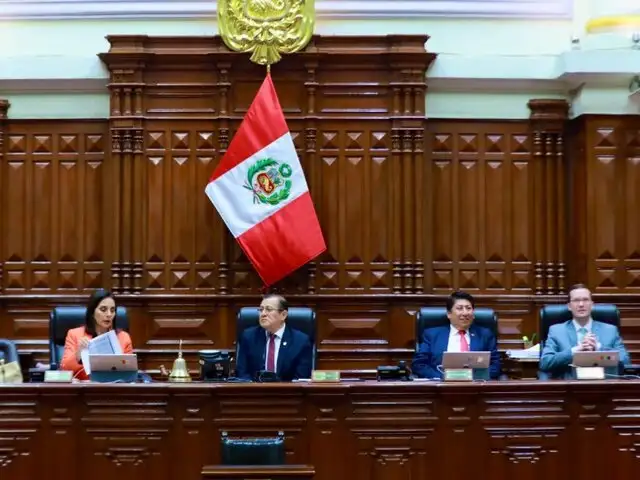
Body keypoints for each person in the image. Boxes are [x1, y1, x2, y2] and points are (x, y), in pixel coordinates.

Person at [540, 283, 630, 379]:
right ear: (569, 306)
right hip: (570, 387)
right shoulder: (556, 330)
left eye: (585, 300)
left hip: (603, 386)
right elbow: (545, 363)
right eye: (576, 300)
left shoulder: (610, 330)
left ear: (592, 304)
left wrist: (599, 348)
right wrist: (574, 351)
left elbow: (625, 361)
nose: (581, 304)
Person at [412, 291, 501, 380]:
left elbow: (495, 365)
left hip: (475, 385)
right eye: (460, 308)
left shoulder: (485, 334)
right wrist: (443, 378)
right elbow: (419, 365)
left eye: (468, 308)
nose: (465, 313)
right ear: (449, 314)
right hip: (441, 385)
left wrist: (472, 378)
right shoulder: (431, 334)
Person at [236, 294, 312, 381]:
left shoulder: (301, 341)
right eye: (261, 309)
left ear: (283, 315)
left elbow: (300, 379)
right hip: (254, 392)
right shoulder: (248, 336)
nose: (263, 314)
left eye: (268, 309)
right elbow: (242, 374)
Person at [60, 289, 133, 380]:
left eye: (112, 310)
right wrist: (78, 355)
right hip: (84, 389)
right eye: (103, 309)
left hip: (113, 389)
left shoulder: (123, 337)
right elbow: (64, 368)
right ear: (92, 312)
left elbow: (130, 373)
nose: (109, 314)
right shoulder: (74, 334)